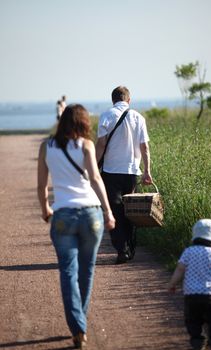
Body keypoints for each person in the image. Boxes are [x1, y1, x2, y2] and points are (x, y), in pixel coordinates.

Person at [37, 104, 115, 349]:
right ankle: (79, 322)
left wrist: (45, 210)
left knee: (68, 272)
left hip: (62, 215)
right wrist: (108, 211)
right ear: (83, 122)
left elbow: (42, 187)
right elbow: (95, 178)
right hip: (91, 214)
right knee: (86, 270)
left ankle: (78, 327)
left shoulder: (46, 146)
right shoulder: (86, 145)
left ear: (61, 122)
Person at [96, 86, 152, 264]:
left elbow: (101, 144)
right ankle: (130, 246)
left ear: (113, 100)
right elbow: (145, 147)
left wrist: (94, 166)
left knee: (114, 211)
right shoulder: (138, 117)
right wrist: (147, 171)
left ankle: (122, 249)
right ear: (129, 100)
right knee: (130, 210)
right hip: (131, 172)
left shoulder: (106, 115)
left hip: (110, 171)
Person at [168, 219, 211, 350]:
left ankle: (198, 343)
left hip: (191, 296)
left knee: (194, 322)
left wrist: (172, 284)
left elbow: (180, 269)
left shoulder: (188, 252)